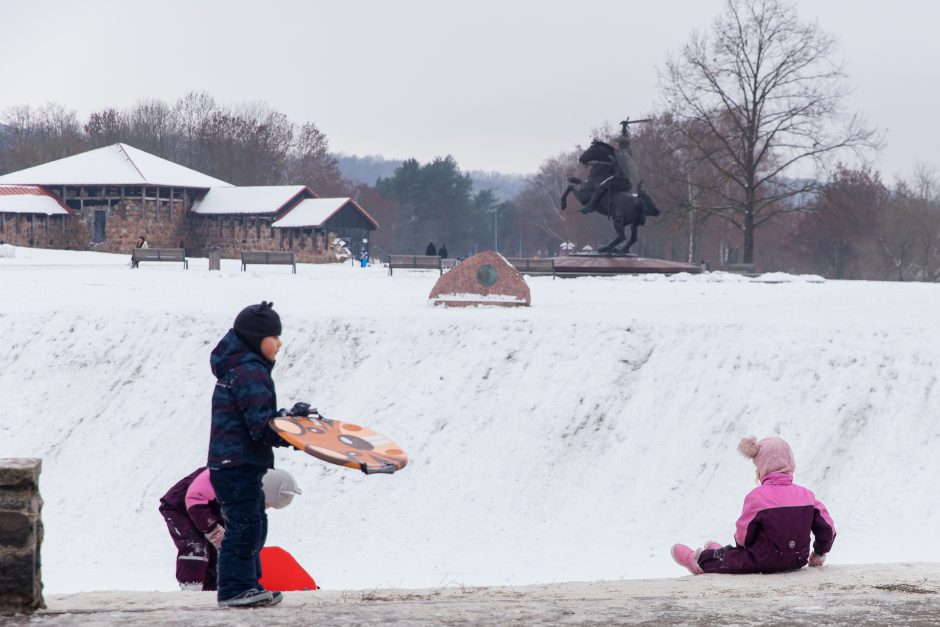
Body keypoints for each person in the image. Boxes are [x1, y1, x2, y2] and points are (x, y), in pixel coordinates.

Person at [207, 300, 311, 608]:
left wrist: (289, 421)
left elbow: (260, 420)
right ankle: (234, 589)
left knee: (252, 524)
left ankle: (249, 585)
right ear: (256, 338)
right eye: (273, 336)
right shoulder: (250, 373)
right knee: (244, 526)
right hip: (236, 464)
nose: (279, 343)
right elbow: (260, 427)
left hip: (235, 464)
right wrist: (294, 430)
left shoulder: (244, 370)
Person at [671, 436, 836, 575]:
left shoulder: (757, 497)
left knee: (733, 557)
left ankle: (698, 560)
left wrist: (741, 548)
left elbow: (743, 536)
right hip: (797, 559)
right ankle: (719, 553)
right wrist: (819, 553)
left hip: (764, 561)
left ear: (761, 466)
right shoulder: (807, 495)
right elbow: (828, 528)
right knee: (737, 554)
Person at [159, 467, 301, 591]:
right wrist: (212, 529)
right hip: (182, 505)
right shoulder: (226, 478)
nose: (266, 508)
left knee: (222, 549)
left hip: (213, 508)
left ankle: (211, 592)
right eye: (267, 503)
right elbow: (194, 498)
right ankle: (191, 589)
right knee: (196, 546)